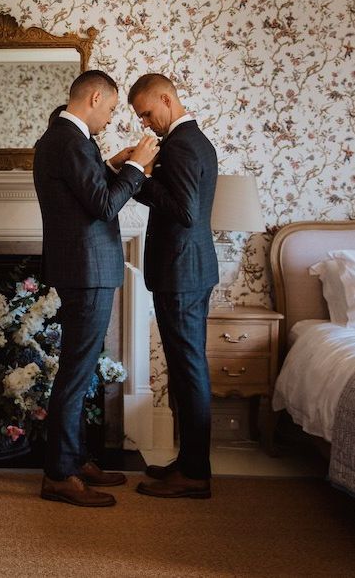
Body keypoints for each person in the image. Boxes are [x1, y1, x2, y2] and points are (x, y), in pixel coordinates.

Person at [33, 70, 158, 507]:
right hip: (86, 270)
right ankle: (60, 474)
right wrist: (138, 168)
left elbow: (82, 190)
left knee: (81, 370)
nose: (108, 119)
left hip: (85, 268)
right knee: (75, 372)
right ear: (95, 96)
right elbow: (103, 205)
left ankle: (76, 457)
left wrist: (111, 165)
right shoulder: (68, 138)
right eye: (108, 109)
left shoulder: (64, 140)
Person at [128, 73, 218, 499]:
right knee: (188, 369)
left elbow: (183, 210)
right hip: (188, 270)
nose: (146, 123)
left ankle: (195, 473)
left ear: (166, 98)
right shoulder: (192, 140)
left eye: (147, 113)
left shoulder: (181, 145)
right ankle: (189, 463)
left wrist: (139, 180)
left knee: (188, 370)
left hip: (182, 273)